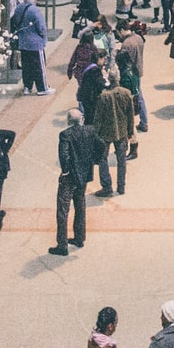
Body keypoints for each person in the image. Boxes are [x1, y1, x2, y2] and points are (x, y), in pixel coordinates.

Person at [49, 108, 100, 256]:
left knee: (63, 210)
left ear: (68, 121)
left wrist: (65, 170)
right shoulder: (90, 130)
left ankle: (62, 244)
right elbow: (101, 145)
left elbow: (63, 155)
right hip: (83, 175)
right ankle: (79, 237)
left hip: (70, 177)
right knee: (80, 205)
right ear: (81, 119)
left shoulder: (65, 134)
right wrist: (94, 161)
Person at [90, 62, 136, 197]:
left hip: (105, 133)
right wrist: (130, 132)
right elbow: (131, 115)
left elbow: (98, 118)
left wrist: (95, 134)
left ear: (108, 79)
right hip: (122, 131)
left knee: (102, 159)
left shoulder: (103, 96)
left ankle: (107, 186)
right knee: (122, 160)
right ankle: (121, 186)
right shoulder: (126, 93)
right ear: (118, 78)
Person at [10, 0, 51, 95]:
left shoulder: (19, 8)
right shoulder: (35, 10)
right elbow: (41, 27)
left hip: (23, 42)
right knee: (39, 67)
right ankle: (42, 88)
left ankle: (27, 87)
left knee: (26, 67)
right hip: (35, 43)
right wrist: (44, 38)